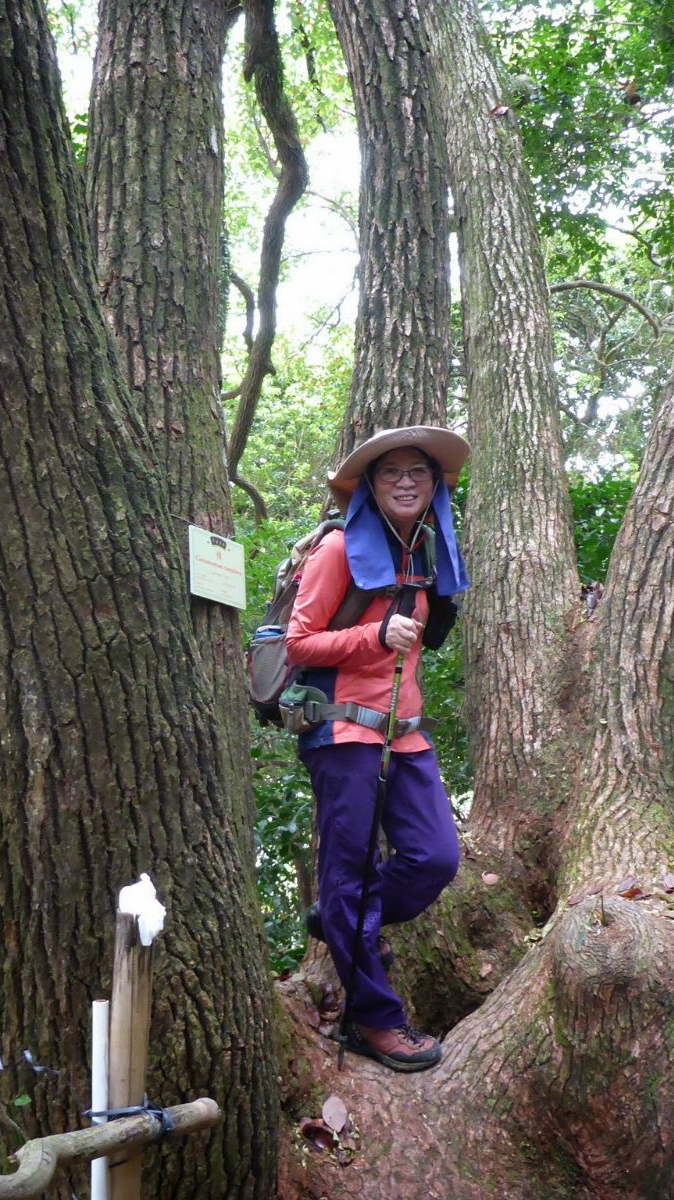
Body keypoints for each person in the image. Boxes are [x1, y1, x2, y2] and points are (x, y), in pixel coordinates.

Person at [284, 425, 470, 1072]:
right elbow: (298, 643)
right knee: (350, 876)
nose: (406, 481)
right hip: (342, 732)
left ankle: (344, 918)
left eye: (419, 471)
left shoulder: (428, 553)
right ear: (370, 485)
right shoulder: (339, 549)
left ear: (435, 485)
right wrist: (372, 635)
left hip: (403, 732)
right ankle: (375, 1021)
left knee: (435, 857)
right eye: (391, 471)